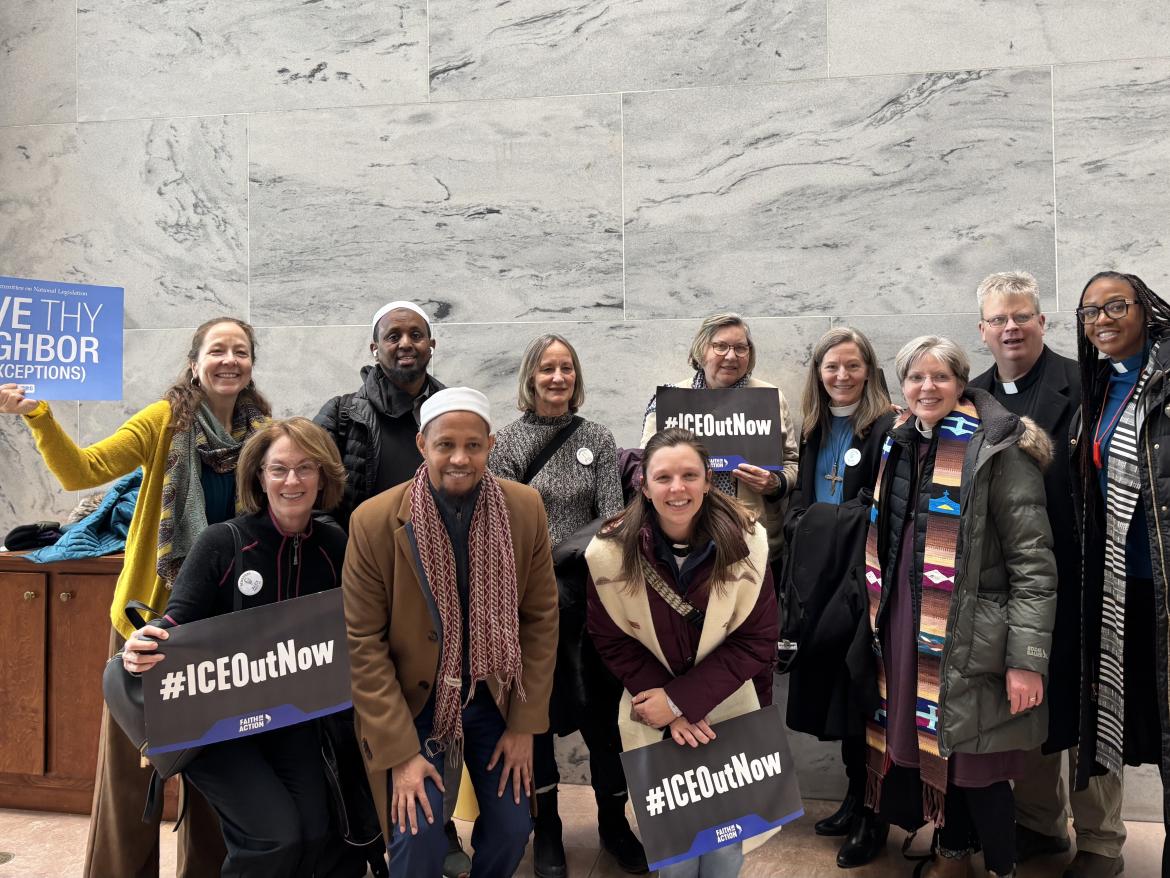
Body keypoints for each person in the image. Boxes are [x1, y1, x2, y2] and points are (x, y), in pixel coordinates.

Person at [0, 316, 272, 877]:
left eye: (239, 351)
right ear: (194, 362)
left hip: (228, 625)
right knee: (132, 773)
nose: (228, 360)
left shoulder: (263, 432)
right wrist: (37, 415)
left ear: (250, 364)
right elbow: (82, 471)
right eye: (216, 350)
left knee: (219, 771)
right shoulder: (163, 422)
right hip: (151, 616)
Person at [342, 386, 559, 877]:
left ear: (491, 444)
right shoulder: (374, 522)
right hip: (411, 706)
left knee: (511, 828)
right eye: (445, 445)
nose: (460, 458)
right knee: (416, 838)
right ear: (422, 444)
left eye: (473, 445)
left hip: (494, 699)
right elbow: (364, 645)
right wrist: (400, 754)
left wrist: (524, 726)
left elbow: (541, 621)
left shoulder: (525, 509)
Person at [864, 336, 1056, 878]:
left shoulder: (998, 449)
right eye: (916, 377)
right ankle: (954, 852)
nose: (928, 387)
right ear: (902, 385)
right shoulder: (899, 441)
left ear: (962, 382)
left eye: (941, 377)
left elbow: (1033, 564)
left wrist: (1027, 658)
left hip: (974, 633)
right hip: (907, 624)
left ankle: (1001, 866)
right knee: (936, 748)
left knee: (978, 762)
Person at [121, 418, 349, 876]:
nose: (292, 481)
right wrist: (141, 644)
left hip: (291, 720)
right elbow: (173, 622)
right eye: (278, 468)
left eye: (305, 468)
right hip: (218, 726)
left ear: (323, 475)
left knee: (315, 833)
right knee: (272, 839)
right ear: (259, 477)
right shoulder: (222, 542)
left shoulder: (332, 544)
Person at [968, 271, 1123, 875]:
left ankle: (1103, 841)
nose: (1011, 327)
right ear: (983, 330)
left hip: (1082, 575)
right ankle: (1040, 825)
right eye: (999, 318)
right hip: (1008, 589)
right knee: (1024, 705)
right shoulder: (971, 394)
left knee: (1083, 709)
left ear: (1043, 322)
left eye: (1022, 316)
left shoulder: (1087, 386)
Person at [586, 427, 778, 878]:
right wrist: (668, 707)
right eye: (664, 477)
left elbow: (757, 638)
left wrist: (681, 702)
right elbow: (611, 637)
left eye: (690, 475)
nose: (678, 488)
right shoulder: (610, 552)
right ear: (644, 484)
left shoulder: (748, 544)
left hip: (726, 712)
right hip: (653, 713)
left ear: (709, 481)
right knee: (674, 851)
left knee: (726, 848)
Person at [488, 333, 646, 877]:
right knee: (536, 719)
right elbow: (502, 523)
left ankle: (614, 823)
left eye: (567, 369)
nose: (558, 378)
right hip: (532, 606)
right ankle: (548, 827)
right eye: (547, 369)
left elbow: (611, 516)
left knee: (603, 719)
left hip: (593, 602)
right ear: (530, 377)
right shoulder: (505, 443)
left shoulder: (597, 439)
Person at [784, 327, 895, 868]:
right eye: (832, 367)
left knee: (865, 696)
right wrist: (804, 516)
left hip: (864, 580)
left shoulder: (887, 427)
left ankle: (875, 813)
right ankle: (856, 795)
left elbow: (877, 508)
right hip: (818, 580)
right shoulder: (813, 428)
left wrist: (815, 520)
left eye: (853, 366)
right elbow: (802, 500)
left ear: (868, 370)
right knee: (838, 696)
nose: (842, 376)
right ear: (818, 373)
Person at [1071, 271, 1170, 878]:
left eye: (1115, 306)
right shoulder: (1098, 386)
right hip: (1111, 584)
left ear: (1146, 310)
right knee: (1109, 709)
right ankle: (1101, 846)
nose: (1102, 319)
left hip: (1164, 585)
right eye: (1090, 311)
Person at [640, 313, 799, 565]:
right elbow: (645, 465)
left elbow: (792, 463)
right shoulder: (671, 401)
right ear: (701, 350)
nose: (731, 356)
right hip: (685, 542)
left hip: (752, 541)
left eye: (740, 348)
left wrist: (776, 483)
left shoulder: (771, 398)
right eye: (721, 346)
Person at [315, 300, 446, 529]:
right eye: (393, 337)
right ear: (375, 349)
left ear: (431, 345)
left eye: (416, 335)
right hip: (363, 559)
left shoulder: (453, 411)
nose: (406, 344)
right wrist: (347, 552)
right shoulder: (341, 413)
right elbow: (311, 498)